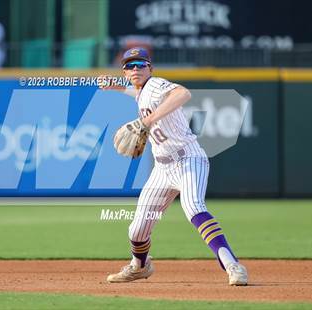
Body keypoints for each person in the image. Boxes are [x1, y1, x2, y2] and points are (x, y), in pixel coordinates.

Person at [101, 47, 248, 286]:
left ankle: (233, 265)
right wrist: (115, 86)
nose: (136, 68)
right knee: (137, 230)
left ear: (151, 68)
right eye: (130, 65)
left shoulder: (156, 84)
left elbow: (183, 93)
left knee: (194, 208)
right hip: (161, 169)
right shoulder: (142, 91)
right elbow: (137, 94)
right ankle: (139, 266)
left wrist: (147, 120)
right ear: (124, 72)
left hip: (188, 159)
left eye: (141, 64)